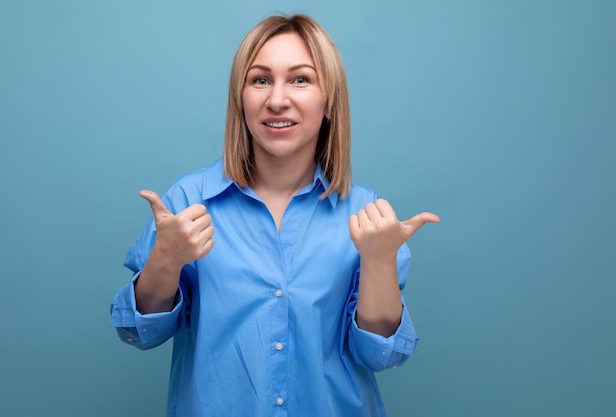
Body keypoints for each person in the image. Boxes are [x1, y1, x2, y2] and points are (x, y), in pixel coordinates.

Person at [110, 13, 439, 417]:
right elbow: (138, 333)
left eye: (300, 79)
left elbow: (380, 355)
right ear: (241, 97)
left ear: (329, 99)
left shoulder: (368, 216)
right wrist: (165, 260)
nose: (277, 99)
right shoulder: (188, 201)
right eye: (260, 79)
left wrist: (379, 261)